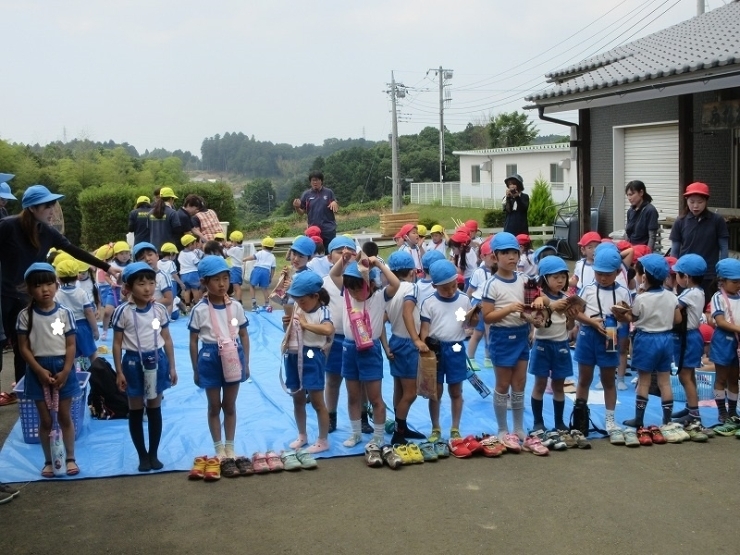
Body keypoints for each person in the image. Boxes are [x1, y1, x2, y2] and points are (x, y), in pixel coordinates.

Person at [0, 185, 118, 401]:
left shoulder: (47, 232)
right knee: (17, 345)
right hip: (7, 295)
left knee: (35, 344)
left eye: (53, 205)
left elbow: (75, 251)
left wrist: (107, 267)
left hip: (33, 295)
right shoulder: (8, 226)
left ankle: (30, 389)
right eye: (48, 206)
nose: (52, 210)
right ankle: (24, 392)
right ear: (33, 208)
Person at [328, 253, 400, 451]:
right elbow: (334, 276)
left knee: (375, 397)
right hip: (349, 349)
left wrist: (378, 263)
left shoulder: (378, 297)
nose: (352, 291)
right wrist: (343, 261)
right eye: (349, 288)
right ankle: (356, 433)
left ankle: (378, 437)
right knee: (353, 396)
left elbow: (395, 284)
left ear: (367, 283)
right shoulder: (346, 296)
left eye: (357, 287)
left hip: (371, 350)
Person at [188, 256, 250, 479]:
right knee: (214, 406)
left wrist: (247, 363)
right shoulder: (199, 310)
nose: (222, 284)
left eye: (225, 278)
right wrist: (196, 368)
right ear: (205, 282)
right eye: (216, 279)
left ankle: (230, 446)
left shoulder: (236, 307)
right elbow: (193, 340)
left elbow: (243, 334)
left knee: (229, 405)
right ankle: (218, 449)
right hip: (210, 356)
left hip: (233, 354)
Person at [16, 262, 81, 477]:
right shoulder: (25, 316)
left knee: (64, 416)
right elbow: (24, 347)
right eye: (38, 285)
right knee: (45, 420)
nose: (45, 289)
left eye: (49, 283)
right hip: (37, 370)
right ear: (29, 289)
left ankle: (70, 457)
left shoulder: (65, 314)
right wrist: (37, 370)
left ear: (56, 284)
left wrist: (66, 370)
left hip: (63, 367)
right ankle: (48, 460)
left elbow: (71, 345)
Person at [112, 262, 178, 471]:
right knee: (136, 409)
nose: (148, 288)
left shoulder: (158, 310)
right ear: (129, 287)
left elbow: (166, 338)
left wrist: (172, 367)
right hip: (132, 362)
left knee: (154, 407)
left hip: (157, 361)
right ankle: (142, 455)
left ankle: (153, 454)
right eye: (141, 284)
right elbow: (116, 343)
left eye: (151, 283)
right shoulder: (123, 312)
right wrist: (119, 372)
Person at [619, 255, 684, 445]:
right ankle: (667, 420)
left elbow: (634, 318)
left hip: (646, 339)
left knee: (645, 381)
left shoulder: (641, 298)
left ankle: (639, 419)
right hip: (666, 339)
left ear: (644, 277)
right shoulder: (672, 296)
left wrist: (623, 313)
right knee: (664, 381)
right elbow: (678, 320)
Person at [572, 247, 632, 444]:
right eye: (599, 273)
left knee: (608, 379)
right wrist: (591, 322)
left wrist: (620, 317)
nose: (603, 278)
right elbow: (575, 311)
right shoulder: (588, 288)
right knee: (584, 378)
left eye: (607, 274)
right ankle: (580, 418)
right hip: (588, 335)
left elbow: (628, 317)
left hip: (611, 335)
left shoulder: (623, 291)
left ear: (617, 272)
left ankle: (610, 420)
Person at [481, 233, 530, 452]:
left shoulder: (524, 279)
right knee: (502, 385)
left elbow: (530, 307)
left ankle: (518, 427)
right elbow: (487, 317)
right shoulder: (491, 284)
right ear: (495, 256)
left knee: (520, 383)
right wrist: (509, 309)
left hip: (522, 334)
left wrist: (533, 317)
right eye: (506, 253)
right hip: (501, 337)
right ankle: (502, 429)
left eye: (514, 253)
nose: (511, 257)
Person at [529, 256, 582, 448]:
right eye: (555, 277)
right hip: (543, 345)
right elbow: (538, 316)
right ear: (544, 278)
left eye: (563, 277)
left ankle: (559, 422)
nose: (560, 280)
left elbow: (568, 327)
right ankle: (538, 422)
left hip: (561, 345)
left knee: (559, 385)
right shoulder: (540, 297)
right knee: (540, 384)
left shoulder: (567, 299)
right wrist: (549, 307)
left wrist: (572, 318)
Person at [419, 260, 472, 446]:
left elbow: (465, 323)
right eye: (445, 289)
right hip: (436, 350)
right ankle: (436, 428)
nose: (450, 291)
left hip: (456, 347)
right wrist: (424, 351)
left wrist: (473, 320)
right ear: (434, 286)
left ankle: (455, 428)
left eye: (453, 286)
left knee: (456, 390)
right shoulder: (429, 303)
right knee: (435, 392)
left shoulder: (464, 299)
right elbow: (425, 330)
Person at [283, 271, 334, 454]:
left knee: (317, 401)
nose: (299, 304)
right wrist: (287, 325)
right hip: (294, 354)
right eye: (297, 300)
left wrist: (305, 325)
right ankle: (302, 434)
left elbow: (328, 329)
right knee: (297, 397)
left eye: (303, 300)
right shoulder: (298, 308)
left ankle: (322, 439)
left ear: (315, 296)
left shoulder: (323, 311)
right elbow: (290, 330)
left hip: (312, 354)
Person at [384, 251, 427, 445]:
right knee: (411, 392)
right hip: (408, 343)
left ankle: (401, 426)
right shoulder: (412, 288)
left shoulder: (390, 290)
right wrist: (416, 339)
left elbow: (379, 321)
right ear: (412, 272)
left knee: (399, 389)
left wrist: (385, 346)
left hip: (395, 341)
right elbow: (406, 313)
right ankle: (399, 432)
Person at [670, 182, 729, 307]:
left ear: (706, 201)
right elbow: (675, 249)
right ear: (686, 200)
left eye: (700, 202)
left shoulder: (717, 220)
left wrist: (722, 271)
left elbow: (723, 247)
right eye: (692, 202)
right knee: (683, 308)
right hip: (685, 275)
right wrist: (673, 271)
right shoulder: (680, 221)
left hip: (709, 274)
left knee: (708, 307)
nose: (695, 206)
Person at [322, 236, 357, 433]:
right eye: (339, 252)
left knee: (358, 382)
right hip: (335, 339)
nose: (345, 256)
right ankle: (331, 416)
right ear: (329, 257)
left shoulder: (361, 280)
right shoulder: (325, 283)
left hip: (357, 338)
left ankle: (362, 416)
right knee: (333, 380)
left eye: (350, 252)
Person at [671, 254, 709, 433]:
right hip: (692, 336)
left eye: (677, 274)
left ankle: (695, 415)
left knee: (684, 376)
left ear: (686, 277)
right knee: (689, 374)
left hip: (688, 338)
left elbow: (674, 308)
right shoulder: (698, 291)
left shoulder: (689, 294)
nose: (676, 278)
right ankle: (690, 407)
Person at [708, 258, 740, 435]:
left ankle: (733, 411)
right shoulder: (718, 297)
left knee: (734, 378)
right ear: (723, 281)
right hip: (723, 340)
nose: (738, 285)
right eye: (734, 282)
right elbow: (720, 322)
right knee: (722, 377)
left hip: (737, 340)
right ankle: (722, 411)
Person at [54, 259, 99, 368]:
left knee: (70, 355)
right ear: (77, 276)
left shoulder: (57, 295)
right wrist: (95, 329)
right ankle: (99, 373)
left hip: (66, 327)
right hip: (82, 326)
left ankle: (72, 376)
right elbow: (88, 312)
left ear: (58, 279)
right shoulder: (81, 293)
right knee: (92, 353)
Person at [292, 171, 339, 251]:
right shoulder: (306, 194)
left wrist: (335, 202)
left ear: (321, 181)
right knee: (314, 253)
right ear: (310, 182)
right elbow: (301, 213)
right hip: (313, 230)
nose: (315, 182)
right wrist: (296, 207)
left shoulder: (328, 192)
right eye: (313, 180)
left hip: (328, 229)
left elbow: (335, 206)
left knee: (330, 253)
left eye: (317, 180)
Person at [132, 242, 174, 315]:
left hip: (157, 314)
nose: (147, 259)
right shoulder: (135, 278)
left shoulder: (162, 276)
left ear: (157, 256)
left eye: (150, 255)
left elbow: (169, 300)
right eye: (142, 258)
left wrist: (150, 303)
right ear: (136, 262)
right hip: (139, 315)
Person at [244, 236, 276, 311]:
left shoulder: (260, 252)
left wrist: (245, 259)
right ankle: (267, 304)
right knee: (264, 288)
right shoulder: (272, 256)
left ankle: (254, 303)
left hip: (257, 270)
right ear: (272, 247)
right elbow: (273, 268)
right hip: (266, 272)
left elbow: (253, 257)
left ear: (263, 246)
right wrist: (270, 277)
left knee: (252, 286)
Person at [624, 180, 659, 250]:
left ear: (641, 192)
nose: (629, 198)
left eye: (631, 194)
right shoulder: (630, 211)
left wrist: (647, 254)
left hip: (642, 251)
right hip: (630, 250)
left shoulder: (650, 210)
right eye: (627, 195)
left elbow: (652, 237)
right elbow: (628, 234)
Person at [148, 187, 182, 251]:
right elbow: (177, 231)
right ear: (170, 199)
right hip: (169, 249)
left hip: (154, 248)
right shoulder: (173, 213)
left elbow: (148, 228)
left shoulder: (150, 213)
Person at [178, 234, 203, 309]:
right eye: (195, 243)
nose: (196, 245)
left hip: (183, 274)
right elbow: (198, 264)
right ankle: (196, 304)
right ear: (190, 245)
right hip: (193, 274)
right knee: (195, 289)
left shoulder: (181, 253)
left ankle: (187, 305)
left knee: (187, 290)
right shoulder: (191, 254)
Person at [226, 231, 245, 305]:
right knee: (237, 286)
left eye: (231, 241)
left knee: (236, 287)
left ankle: (240, 302)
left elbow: (226, 254)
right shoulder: (241, 248)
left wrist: (228, 246)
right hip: (239, 268)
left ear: (234, 241)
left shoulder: (234, 249)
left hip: (234, 269)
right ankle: (239, 301)